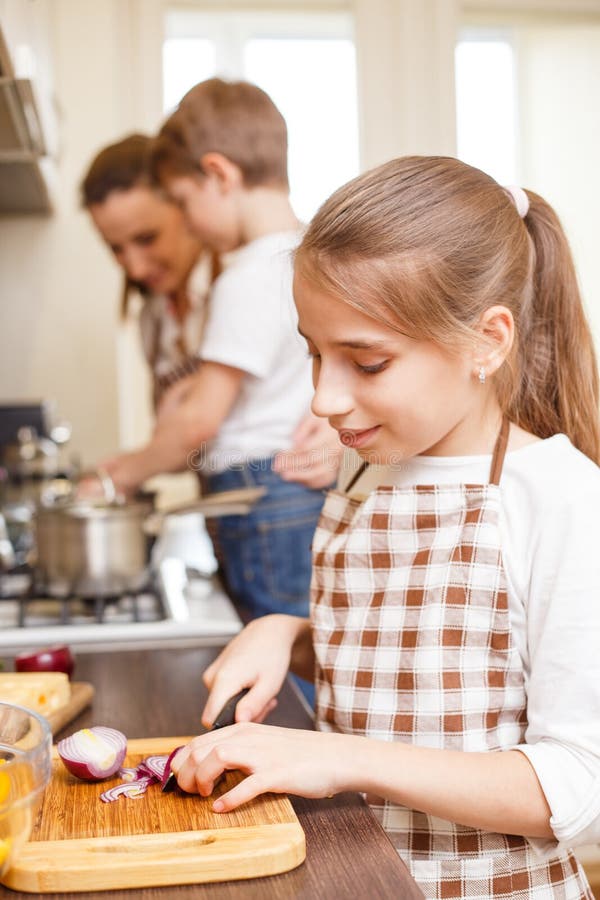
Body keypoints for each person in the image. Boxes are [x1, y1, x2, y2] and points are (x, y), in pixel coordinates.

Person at [167, 156, 600, 898]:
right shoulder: (364, 470)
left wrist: (343, 759)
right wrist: (288, 633)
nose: (326, 398)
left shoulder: (560, 500)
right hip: (353, 877)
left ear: (488, 342)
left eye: (366, 362)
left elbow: (577, 786)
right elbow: (413, 663)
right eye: (313, 351)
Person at [98, 81, 340, 687]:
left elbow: (203, 419)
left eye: (181, 201)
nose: (187, 221)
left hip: (263, 495)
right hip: (285, 492)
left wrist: (120, 470)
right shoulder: (311, 257)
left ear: (218, 175)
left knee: (280, 666)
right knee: (302, 650)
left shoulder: (245, 275)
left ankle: (296, 773)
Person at [81, 133, 216, 409]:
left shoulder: (247, 280)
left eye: (147, 238)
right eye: (115, 248)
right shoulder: (152, 318)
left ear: (185, 207)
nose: (136, 269)